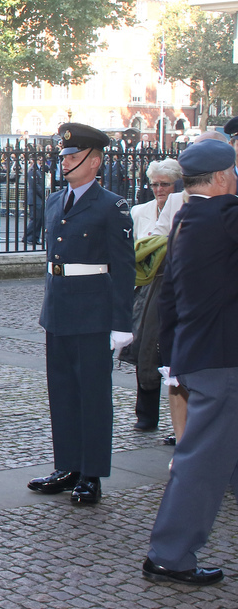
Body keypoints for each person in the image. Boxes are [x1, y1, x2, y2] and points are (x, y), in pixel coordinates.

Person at [141, 139, 238, 586]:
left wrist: (172, 356)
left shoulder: (185, 217)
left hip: (198, 354)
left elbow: (170, 296)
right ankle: (170, 554)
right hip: (222, 359)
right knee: (202, 463)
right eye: (233, 172)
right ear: (219, 178)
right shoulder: (225, 215)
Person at [27, 123, 135, 506]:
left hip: (92, 312)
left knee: (92, 395)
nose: (66, 162)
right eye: (64, 156)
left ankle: (91, 473)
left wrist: (122, 323)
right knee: (62, 391)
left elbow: (124, 268)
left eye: (73, 157)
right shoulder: (56, 201)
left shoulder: (112, 206)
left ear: (95, 161)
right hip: (58, 307)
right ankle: (68, 466)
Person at [125, 158, 184, 433]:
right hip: (147, 287)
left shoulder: (183, 205)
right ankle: (146, 414)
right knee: (144, 347)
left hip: (174, 283)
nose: (159, 189)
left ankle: (179, 422)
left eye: (165, 184)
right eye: (155, 184)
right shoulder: (140, 211)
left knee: (170, 349)